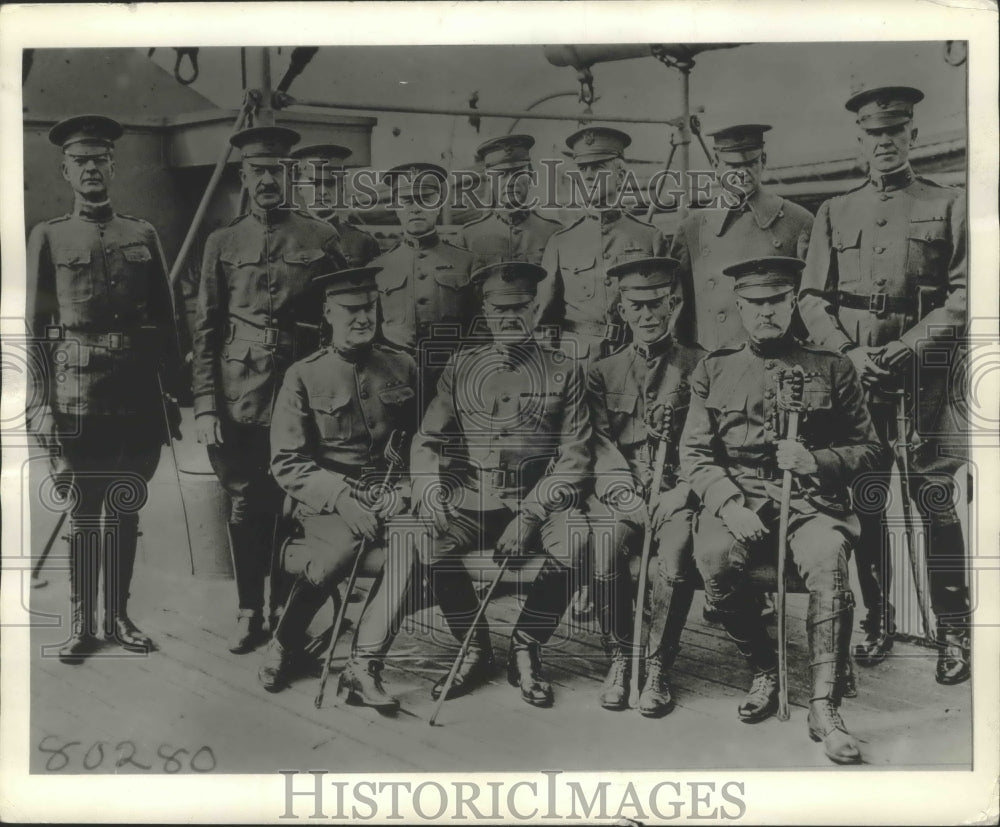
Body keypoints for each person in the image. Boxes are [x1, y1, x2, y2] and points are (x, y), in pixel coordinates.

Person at [679, 256, 883, 765]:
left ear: (792, 302)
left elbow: (870, 449)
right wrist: (728, 503)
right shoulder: (714, 368)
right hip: (741, 498)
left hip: (812, 502)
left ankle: (824, 705)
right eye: (754, 303)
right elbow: (695, 454)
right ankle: (764, 667)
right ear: (739, 306)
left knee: (827, 561)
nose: (765, 311)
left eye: (775, 301)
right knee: (714, 560)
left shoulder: (832, 366)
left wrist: (816, 460)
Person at [798, 84, 970, 684]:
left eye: (895, 131)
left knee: (936, 501)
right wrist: (848, 353)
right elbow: (812, 298)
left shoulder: (949, 203)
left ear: (912, 135)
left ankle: (953, 631)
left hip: (926, 379)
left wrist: (907, 345)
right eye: (874, 133)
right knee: (866, 502)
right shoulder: (834, 211)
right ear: (860, 140)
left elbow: (965, 293)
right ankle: (878, 619)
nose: (885, 142)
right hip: (858, 383)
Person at [26, 114, 183, 662]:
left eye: (100, 159)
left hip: (137, 396)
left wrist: (170, 394)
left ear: (113, 167)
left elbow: (167, 321)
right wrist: (40, 403)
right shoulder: (49, 235)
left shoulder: (141, 234)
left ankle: (116, 617)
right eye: (80, 160)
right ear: (65, 170)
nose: (91, 168)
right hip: (78, 396)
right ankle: (81, 625)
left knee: (126, 506)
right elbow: (34, 328)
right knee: (84, 510)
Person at [191, 125, 346, 654]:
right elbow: (206, 330)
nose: (267, 181)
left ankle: (285, 607)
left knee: (295, 504)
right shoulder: (221, 242)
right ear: (244, 176)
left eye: (277, 171)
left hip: (305, 392)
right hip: (242, 394)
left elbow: (339, 318)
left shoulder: (320, 237)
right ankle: (249, 610)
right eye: (258, 171)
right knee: (246, 503)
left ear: (291, 175)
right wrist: (206, 406)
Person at [409, 261, 593, 707]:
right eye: (499, 309)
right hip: (478, 498)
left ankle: (526, 646)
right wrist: (427, 486)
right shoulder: (462, 366)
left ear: (534, 309)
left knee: (576, 540)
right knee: (427, 538)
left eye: (520, 308)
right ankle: (474, 646)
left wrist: (531, 515)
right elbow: (427, 439)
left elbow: (575, 456)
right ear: (485, 311)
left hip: (541, 500)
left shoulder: (564, 369)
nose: (510, 318)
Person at [261, 266, 418, 710]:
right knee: (337, 552)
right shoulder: (304, 375)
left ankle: (363, 666)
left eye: (369, 307)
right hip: (327, 501)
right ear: (329, 313)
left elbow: (425, 442)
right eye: (350, 310)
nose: (362, 318)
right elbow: (287, 460)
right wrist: (342, 499)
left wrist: (406, 490)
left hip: (392, 496)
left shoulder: (402, 365)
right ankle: (283, 642)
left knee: (411, 546)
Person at [585, 255, 706, 715]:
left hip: (677, 493)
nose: (648, 315)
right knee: (605, 552)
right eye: (636, 306)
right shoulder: (603, 370)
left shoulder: (700, 364)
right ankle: (620, 656)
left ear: (673, 305)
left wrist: (683, 491)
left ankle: (657, 666)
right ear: (622, 310)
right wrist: (622, 492)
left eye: (657, 304)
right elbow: (599, 441)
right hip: (623, 493)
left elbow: (707, 441)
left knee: (674, 560)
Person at [669, 123, 814, 352]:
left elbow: (811, 303)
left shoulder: (797, 221)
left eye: (750, 163)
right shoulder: (692, 229)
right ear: (716, 165)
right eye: (733, 165)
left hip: (780, 359)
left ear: (763, 161)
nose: (742, 173)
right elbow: (679, 312)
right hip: (713, 359)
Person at [536, 126, 668, 366]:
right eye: (582, 168)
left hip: (635, 361)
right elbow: (544, 321)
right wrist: (556, 369)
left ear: (620, 175)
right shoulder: (560, 242)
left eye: (598, 167)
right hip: (579, 363)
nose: (588, 176)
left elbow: (669, 309)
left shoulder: (649, 237)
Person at [370, 162, 475, 409]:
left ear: (438, 205)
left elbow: (479, 326)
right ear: (396, 208)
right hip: (395, 381)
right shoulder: (378, 267)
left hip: (453, 380)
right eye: (407, 201)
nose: (416, 208)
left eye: (425, 199)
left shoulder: (466, 261)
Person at [456, 134, 562, 269]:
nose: (511, 182)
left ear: (531, 177)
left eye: (518, 173)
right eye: (502, 175)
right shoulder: (469, 236)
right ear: (489, 180)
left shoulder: (553, 232)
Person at [291, 143, 381, 267]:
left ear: (341, 188)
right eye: (315, 183)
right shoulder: (286, 238)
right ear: (300, 188)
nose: (323, 192)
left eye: (330, 183)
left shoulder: (363, 242)